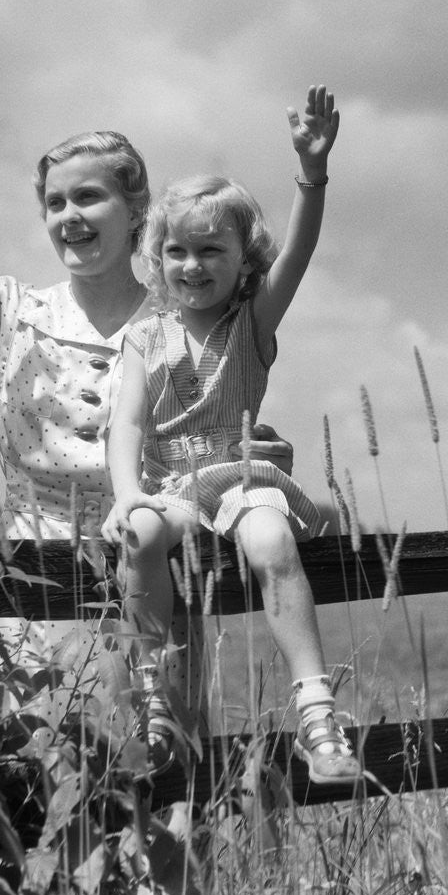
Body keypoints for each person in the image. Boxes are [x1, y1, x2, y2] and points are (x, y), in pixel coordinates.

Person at [0, 0, 295, 742]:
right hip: (27, 621)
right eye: (54, 202)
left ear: (138, 210)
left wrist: (242, 456)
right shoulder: (2, 313)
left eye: (88, 198)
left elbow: (218, 434)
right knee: (45, 811)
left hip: (155, 607)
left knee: (163, 822)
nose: (68, 216)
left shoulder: (190, 320)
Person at [102, 86, 362, 785]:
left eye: (211, 250)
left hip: (243, 476)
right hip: (170, 482)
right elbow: (126, 422)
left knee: (270, 542)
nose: (192, 265)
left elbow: (301, 250)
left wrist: (311, 173)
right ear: (157, 258)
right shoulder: (143, 336)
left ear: (243, 260)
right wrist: (128, 495)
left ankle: (315, 714)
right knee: (141, 537)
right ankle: (155, 700)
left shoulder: (251, 320)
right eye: (178, 251)